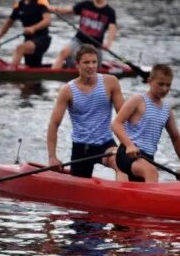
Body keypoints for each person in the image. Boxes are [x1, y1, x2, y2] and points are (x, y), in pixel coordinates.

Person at [47, 44, 126, 179]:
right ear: (77, 64)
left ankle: (125, 197)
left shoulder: (111, 82)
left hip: (105, 145)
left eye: (94, 62)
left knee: (120, 164)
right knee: (76, 189)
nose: (91, 66)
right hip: (81, 148)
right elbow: (54, 125)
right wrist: (52, 157)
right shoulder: (67, 90)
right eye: (86, 62)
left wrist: (129, 145)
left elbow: (125, 117)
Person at [111, 64, 180, 183]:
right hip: (127, 154)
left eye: (168, 85)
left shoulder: (167, 110)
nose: (164, 89)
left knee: (147, 175)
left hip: (147, 158)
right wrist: (129, 145)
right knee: (151, 171)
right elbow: (116, 124)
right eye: (160, 84)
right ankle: (154, 200)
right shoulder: (138, 100)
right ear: (149, 81)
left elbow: (176, 139)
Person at [50, 0, 117, 69]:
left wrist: (108, 43)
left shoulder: (109, 12)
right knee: (64, 52)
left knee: (87, 64)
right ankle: (53, 74)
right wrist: (55, 9)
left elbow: (113, 29)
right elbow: (68, 10)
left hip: (94, 45)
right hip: (79, 40)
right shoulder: (85, 4)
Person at [0, 0, 52, 68]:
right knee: (33, 67)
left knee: (20, 48)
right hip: (28, 40)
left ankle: (12, 75)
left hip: (42, 39)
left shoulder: (40, 0)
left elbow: (47, 21)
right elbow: (8, 23)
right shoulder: (19, 5)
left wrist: (33, 28)